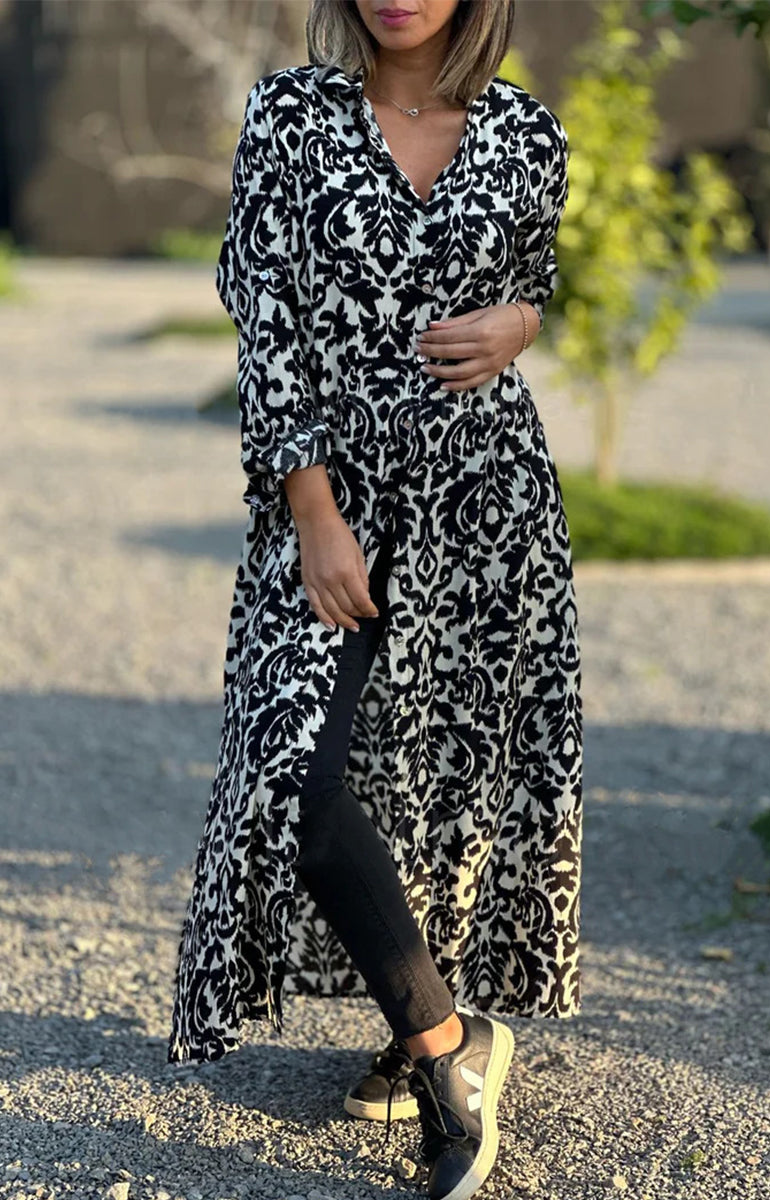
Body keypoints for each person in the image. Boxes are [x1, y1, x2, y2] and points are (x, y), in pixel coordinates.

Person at [169, 2, 583, 1198]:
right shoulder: (290, 113)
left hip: (483, 501)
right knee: (290, 770)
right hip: (331, 495)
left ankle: (417, 1024)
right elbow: (266, 323)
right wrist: (310, 510)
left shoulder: (526, 130)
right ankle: (451, 1051)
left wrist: (521, 320)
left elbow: (533, 279)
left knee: (434, 780)